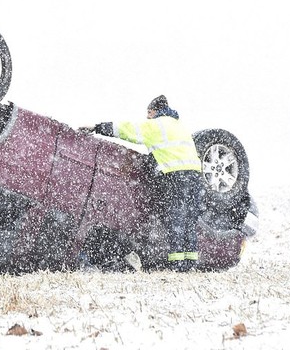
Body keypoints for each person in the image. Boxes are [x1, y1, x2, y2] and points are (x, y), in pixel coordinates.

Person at [80, 95, 204, 272]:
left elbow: (127, 129)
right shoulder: (179, 126)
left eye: (149, 112)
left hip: (175, 176)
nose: (147, 116)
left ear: (156, 111)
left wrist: (97, 127)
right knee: (188, 220)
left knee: (175, 218)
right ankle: (190, 263)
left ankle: (177, 265)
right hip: (194, 176)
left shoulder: (156, 125)